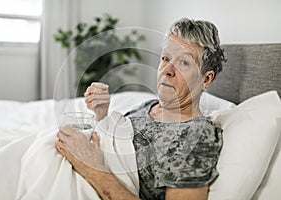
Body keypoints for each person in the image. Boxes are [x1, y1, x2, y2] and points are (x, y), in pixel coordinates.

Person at [55, 17, 226, 200]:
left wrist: (89, 166)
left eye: (184, 62)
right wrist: (102, 115)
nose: (167, 69)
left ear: (206, 79)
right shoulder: (148, 106)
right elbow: (116, 145)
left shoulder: (196, 137)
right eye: (166, 58)